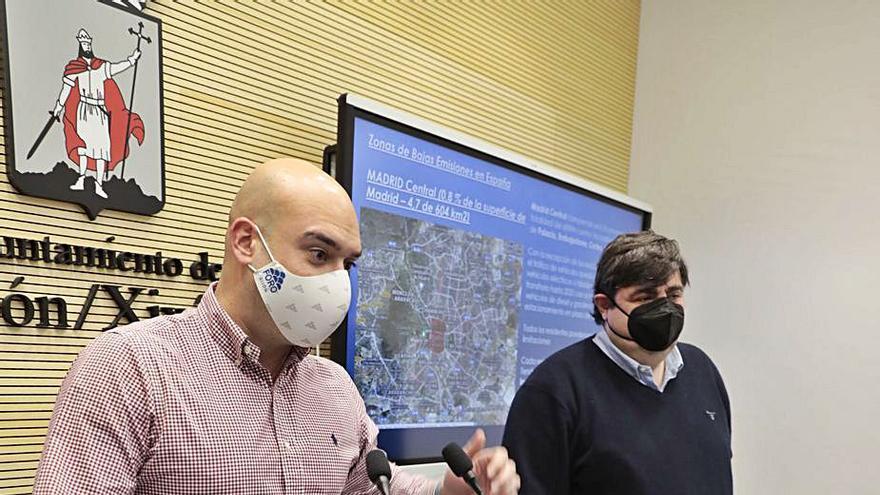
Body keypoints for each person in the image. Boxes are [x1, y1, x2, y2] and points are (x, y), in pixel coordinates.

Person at [34, 158, 520, 494]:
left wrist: (449, 489)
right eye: (318, 253)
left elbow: (373, 485)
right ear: (247, 242)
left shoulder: (334, 387)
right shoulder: (129, 367)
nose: (337, 282)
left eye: (345, 264)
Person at [502, 231, 732, 494]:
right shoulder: (554, 390)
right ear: (604, 306)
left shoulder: (702, 370)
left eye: (673, 295)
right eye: (645, 298)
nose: (664, 308)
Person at [52, 28, 144, 198]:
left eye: (88, 43)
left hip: (99, 112)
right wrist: (58, 107)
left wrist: (132, 60)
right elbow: (66, 90)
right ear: (80, 45)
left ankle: (99, 184)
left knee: (102, 149)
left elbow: (117, 68)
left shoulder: (100, 67)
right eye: (84, 43)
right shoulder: (75, 68)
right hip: (84, 111)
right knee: (83, 147)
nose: (86, 46)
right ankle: (81, 178)